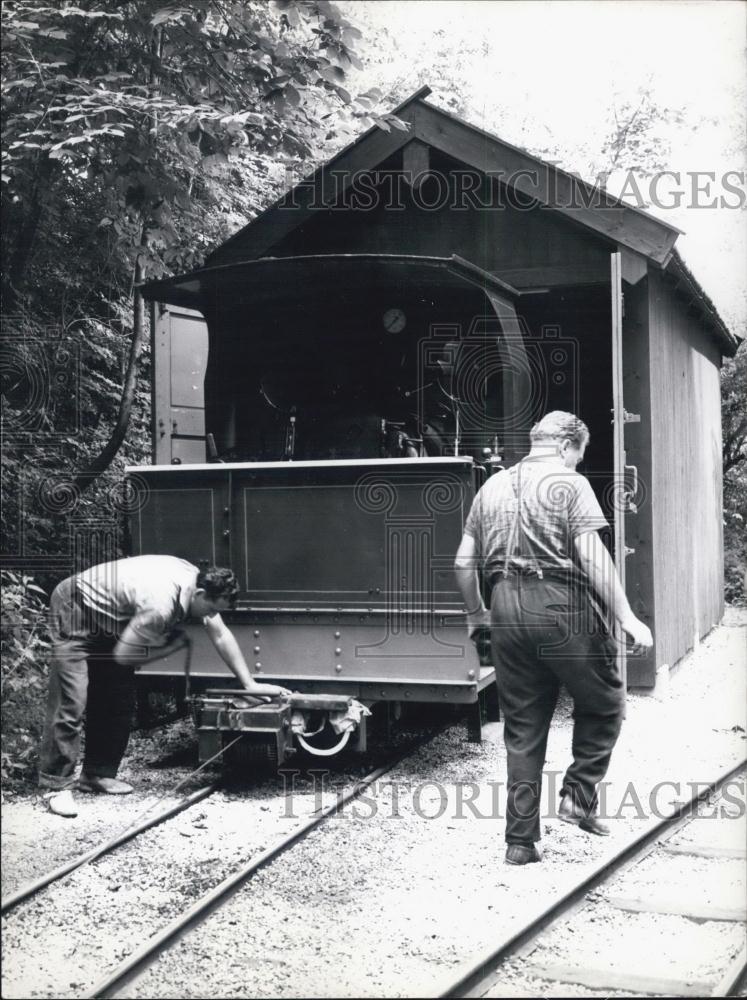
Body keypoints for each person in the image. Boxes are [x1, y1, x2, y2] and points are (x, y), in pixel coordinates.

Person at [454, 411, 653, 865]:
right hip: (561, 604)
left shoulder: (491, 486)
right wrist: (627, 617)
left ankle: (520, 842)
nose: (577, 466)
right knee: (605, 701)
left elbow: (464, 563)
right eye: (578, 457)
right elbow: (592, 554)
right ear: (566, 446)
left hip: (504, 605)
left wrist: (476, 615)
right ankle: (578, 798)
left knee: (522, 727)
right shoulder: (569, 483)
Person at [39, 555, 290, 817]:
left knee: (119, 697)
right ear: (201, 594)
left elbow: (220, 633)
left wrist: (249, 684)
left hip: (110, 618)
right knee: (72, 699)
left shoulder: (195, 580)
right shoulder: (160, 605)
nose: (212, 616)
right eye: (212, 609)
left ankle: (96, 775)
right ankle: (56, 786)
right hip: (75, 608)